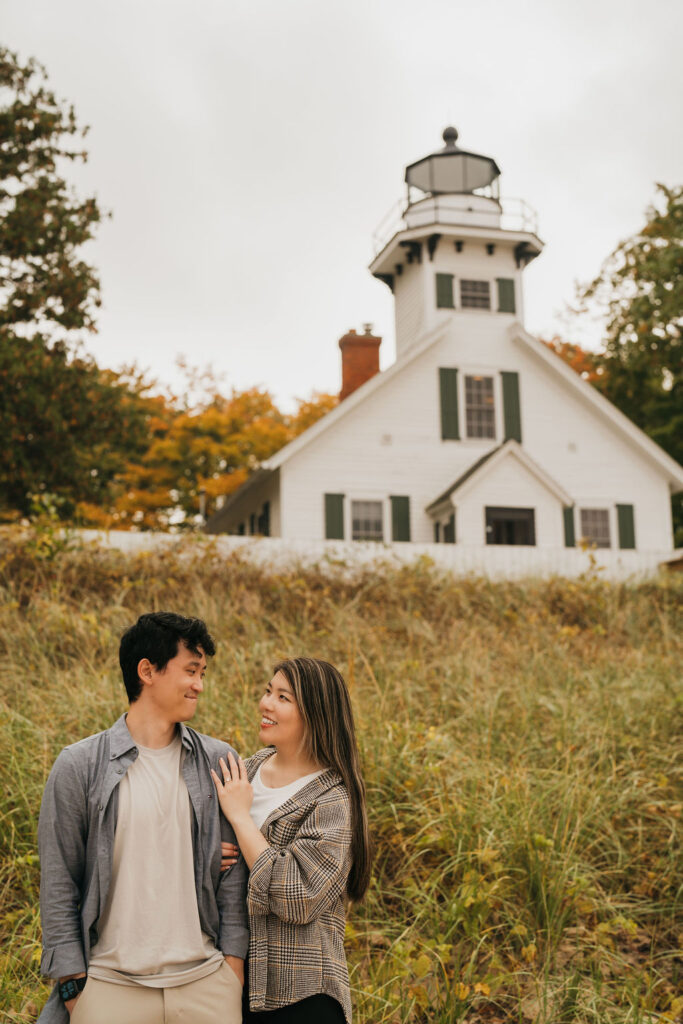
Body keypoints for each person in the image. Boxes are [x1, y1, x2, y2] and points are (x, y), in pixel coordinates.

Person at [37, 611, 249, 1024]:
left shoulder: (219, 761)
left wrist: (233, 971)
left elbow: (233, 881)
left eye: (203, 672)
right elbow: (59, 885)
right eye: (191, 670)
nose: (199, 685)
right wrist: (73, 988)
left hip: (206, 984)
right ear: (147, 671)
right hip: (110, 988)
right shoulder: (79, 766)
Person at [211, 657, 371, 1024]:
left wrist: (240, 818)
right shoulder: (243, 770)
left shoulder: (332, 799)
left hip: (301, 996)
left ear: (315, 715)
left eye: (283, 697)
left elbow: (299, 897)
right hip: (230, 982)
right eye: (268, 691)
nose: (266, 703)